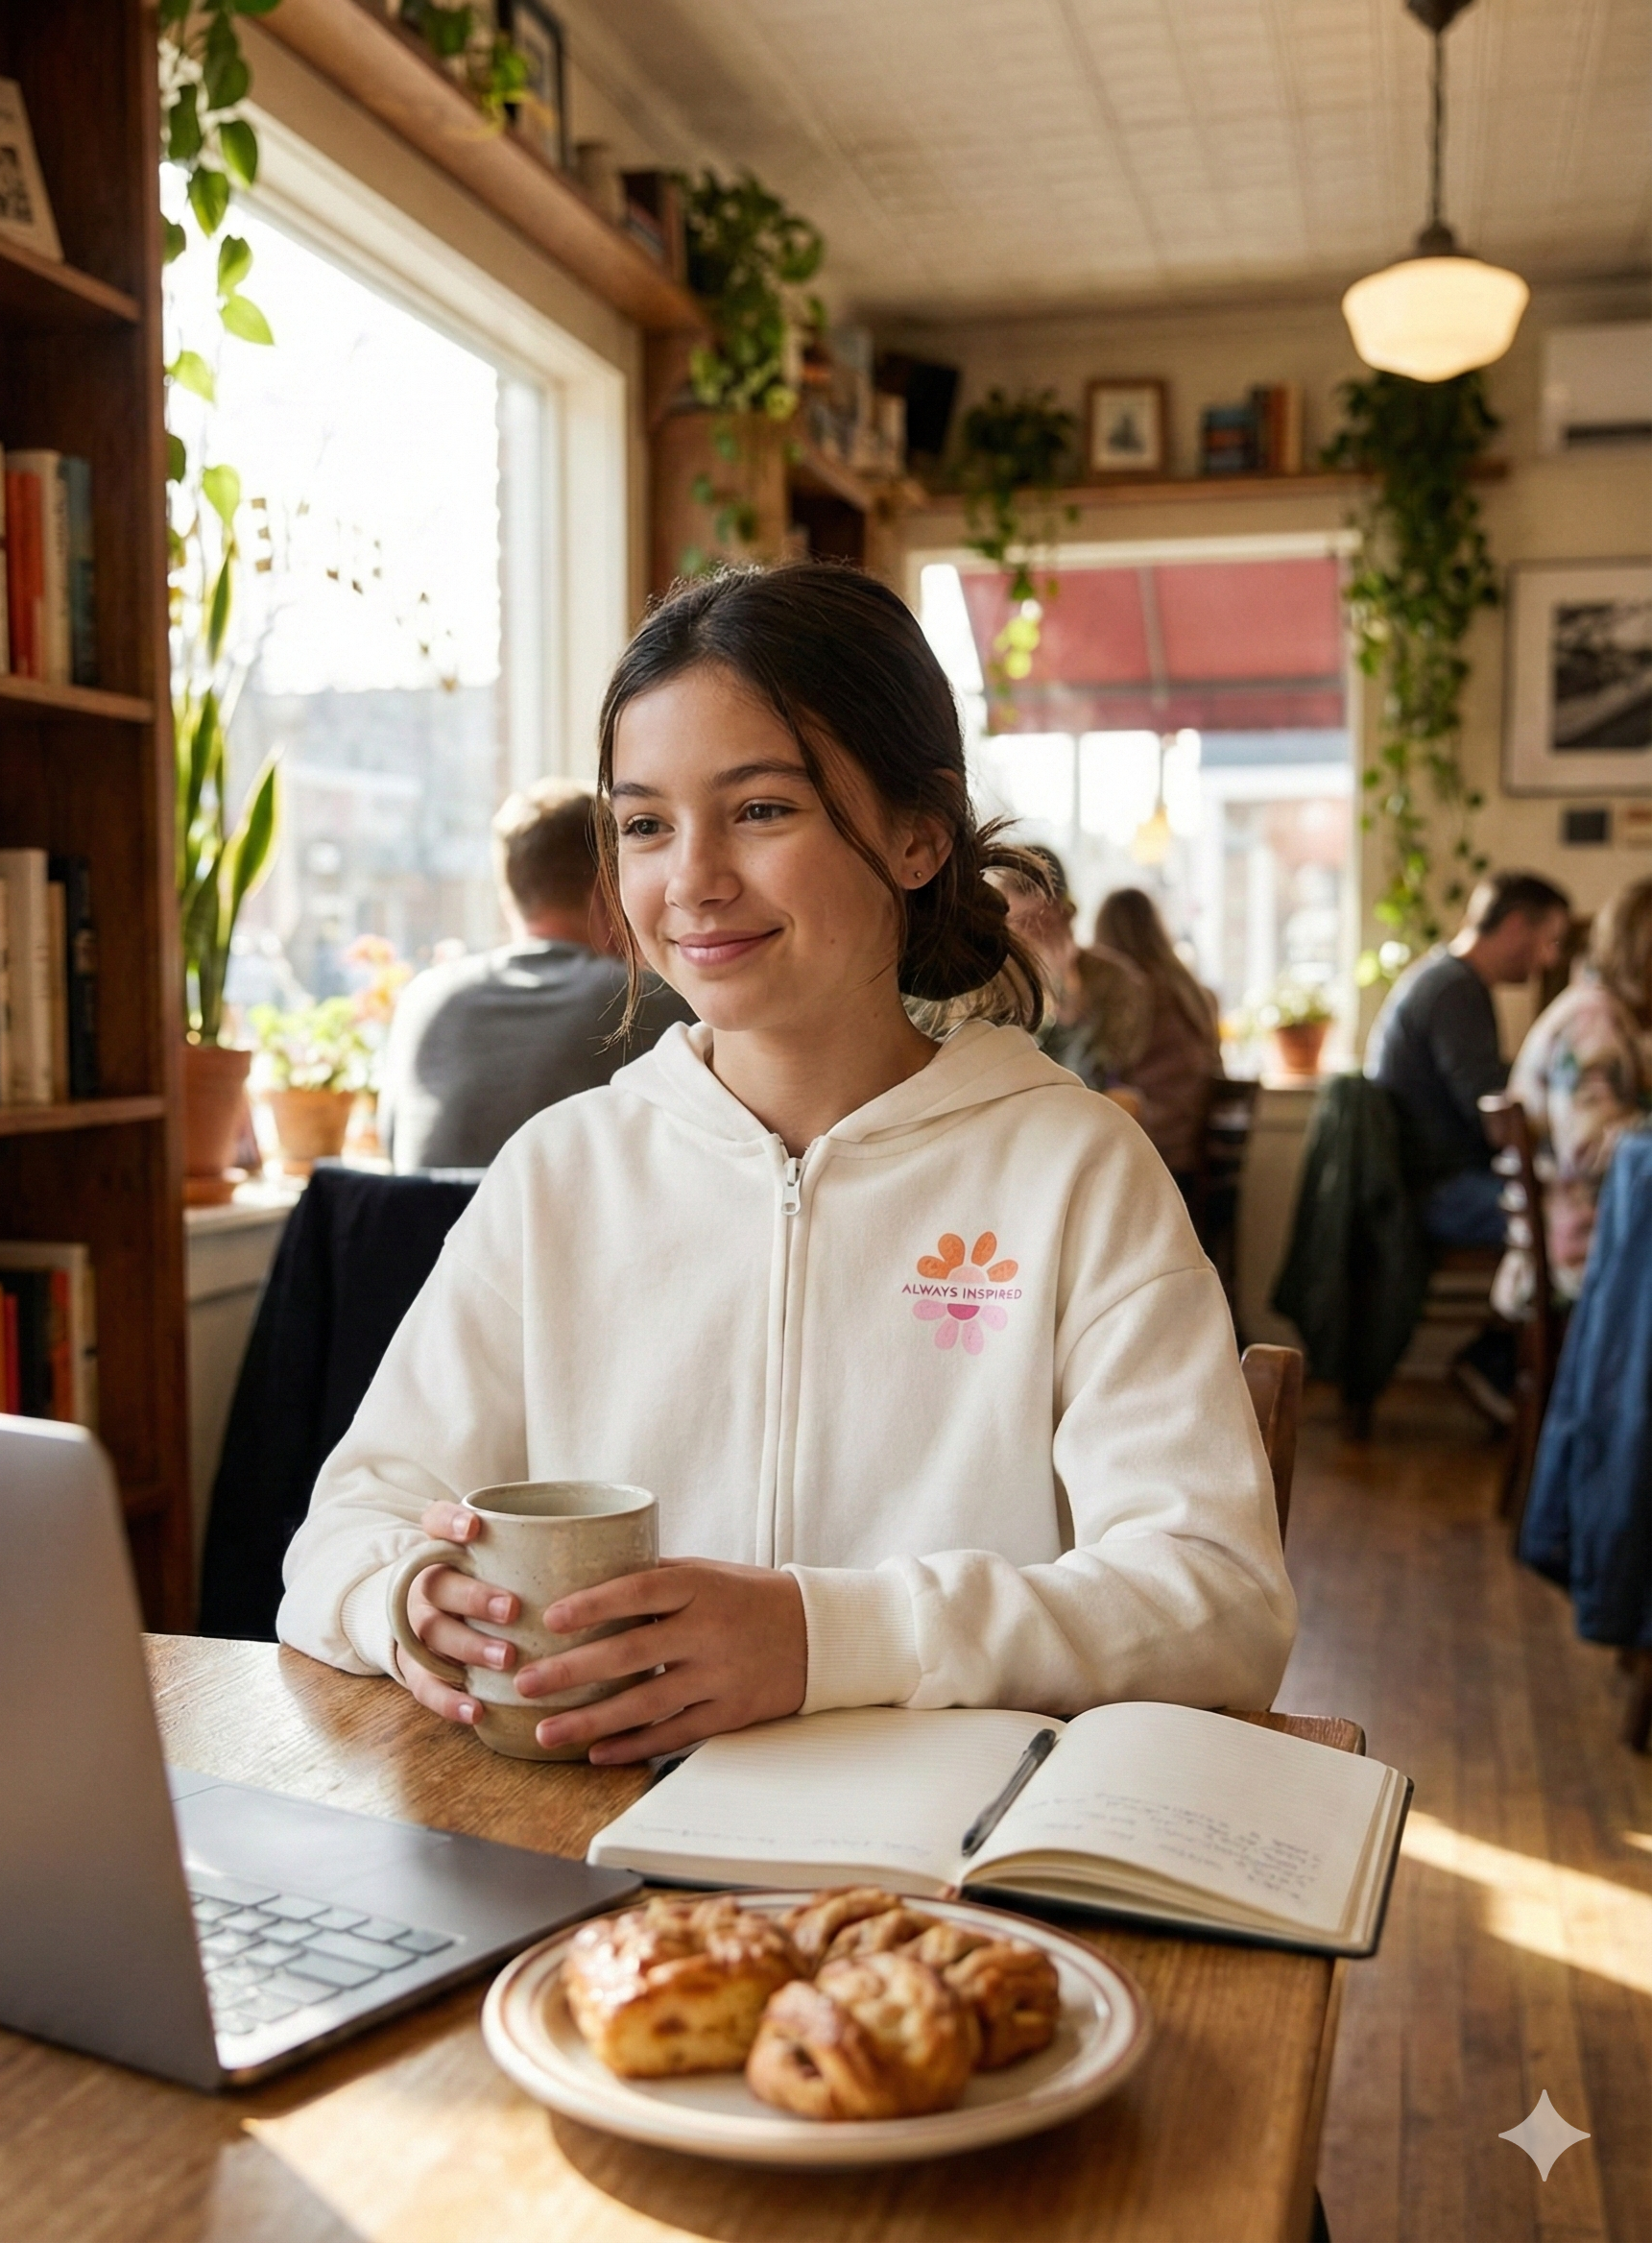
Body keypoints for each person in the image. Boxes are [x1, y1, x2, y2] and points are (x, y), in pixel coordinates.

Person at [278, 564, 1294, 1765]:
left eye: (761, 809)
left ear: (920, 832)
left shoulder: (1074, 1168)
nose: (692, 880)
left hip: (950, 1875)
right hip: (603, 1859)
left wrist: (825, 1637)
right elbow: (340, 1534)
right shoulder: (560, 1173)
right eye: (646, 822)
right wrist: (408, 1600)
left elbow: (1219, 1602)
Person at [375, 779, 691, 1170]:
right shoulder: (645, 1000)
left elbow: (393, 1152)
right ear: (608, 891)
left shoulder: (425, 998)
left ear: (512, 895)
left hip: (425, 1232)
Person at [1364, 871, 1571, 1249]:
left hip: (1432, 1183)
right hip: (1442, 1192)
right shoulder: (1455, 989)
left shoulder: (1445, 977)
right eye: (1550, 940)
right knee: (1583, 1214)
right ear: (1515, 925)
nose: (1551, 958)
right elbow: (1489, 1113)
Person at [1493, 878, 1652, 1320]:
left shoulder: (1598, 1011)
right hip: (1584, 1248)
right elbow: (1590, 1149)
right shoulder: (1591, 1022)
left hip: (1584, 1231)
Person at [1090, 888, 1222, 1182]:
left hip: (1148, 1152)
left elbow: (1099, 1071)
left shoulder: (1130, 997)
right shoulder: (1195, 994)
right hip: (1191, 1152)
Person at [994, 849, 1150, 1091]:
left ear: (1064, 912)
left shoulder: (1115, 980)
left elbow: (1097, 1080)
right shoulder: (989, 984)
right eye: (1015, 923)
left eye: (1036, 922)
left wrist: (1068, 993)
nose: (1025, 936)